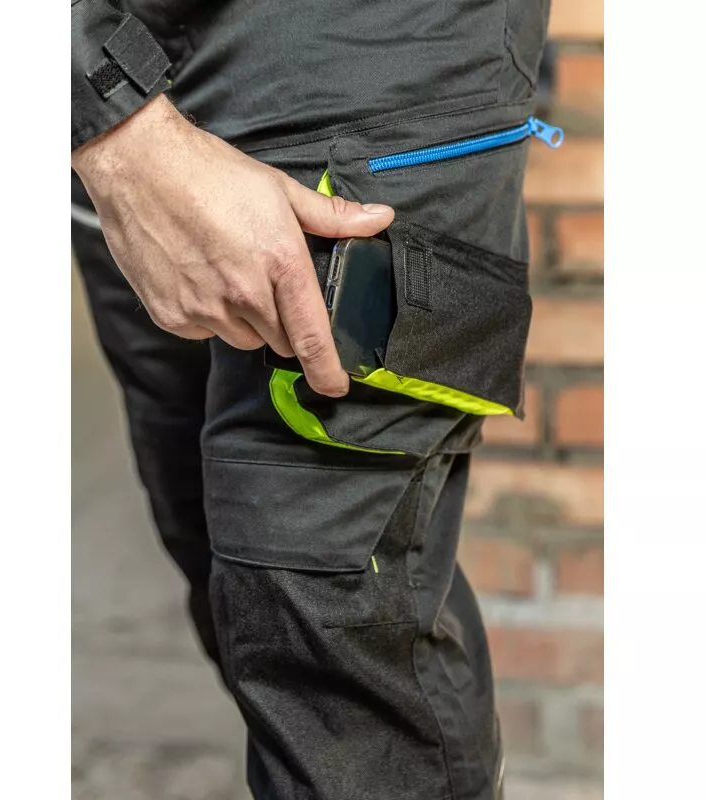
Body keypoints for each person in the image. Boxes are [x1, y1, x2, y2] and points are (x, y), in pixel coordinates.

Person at [71, 1, 552, 797]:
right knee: (230, 594)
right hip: (114, 83)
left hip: (363, 69)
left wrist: (102, 107)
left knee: (330, 646)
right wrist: (105, 119)